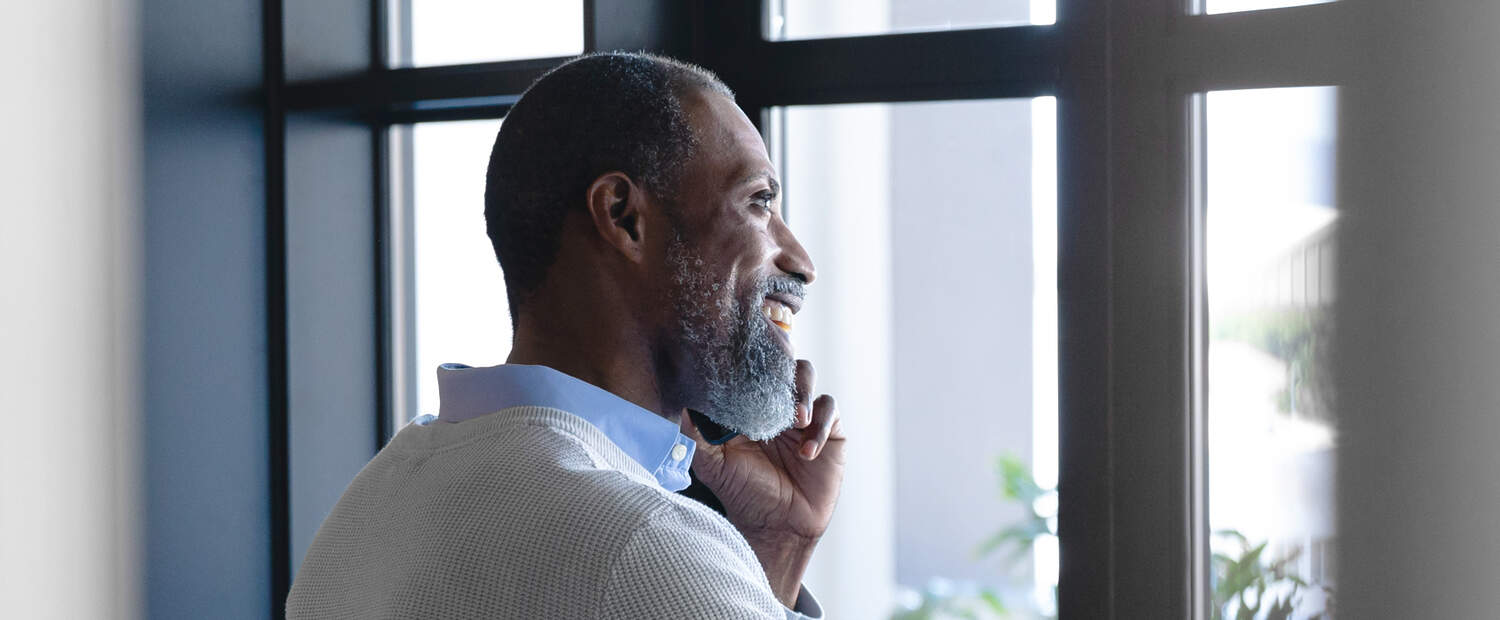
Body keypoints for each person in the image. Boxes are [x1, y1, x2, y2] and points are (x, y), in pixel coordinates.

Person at [286, 52, 844, 619]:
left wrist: (776, 543)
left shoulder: (368, 511)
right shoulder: (641, 544)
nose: (800, 261)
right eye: (758, 203)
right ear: (624, 216)